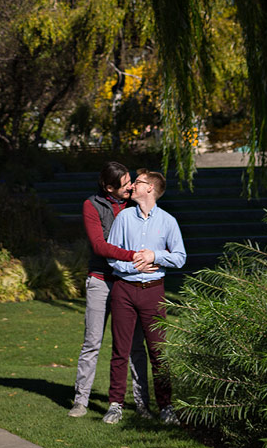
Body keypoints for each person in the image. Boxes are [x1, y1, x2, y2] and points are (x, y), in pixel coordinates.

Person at [68, 161, 155, 418]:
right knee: (92, 342)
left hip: (129, 281)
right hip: (101, 281)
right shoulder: (92, 205)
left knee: (135, 345)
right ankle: (80, 401)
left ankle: (142, 404)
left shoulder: (132, 202)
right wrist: (133, 255)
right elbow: (99, 246)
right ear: (109, 187)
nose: (131, 185)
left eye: (131, 180)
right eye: (126, 182)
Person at [102, 168, 186, 426]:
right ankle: (115, 405)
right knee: (120, 350)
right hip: (124, 290)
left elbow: (180, 258)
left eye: (137, 182)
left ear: (150, 188)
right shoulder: (124, 218)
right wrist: (132, 267)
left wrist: (155, 256)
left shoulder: (168, 221)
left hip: (154, 292)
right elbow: (111, 255)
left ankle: (166, 406)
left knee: (158, 351)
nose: (132, 186)